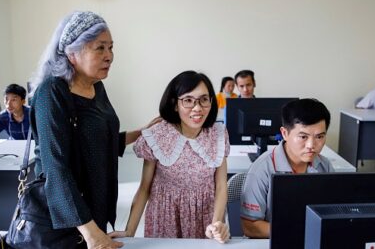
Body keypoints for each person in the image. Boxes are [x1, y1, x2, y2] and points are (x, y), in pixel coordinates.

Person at [28, 11, 152, 248]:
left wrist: (142, 132)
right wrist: (92, 234)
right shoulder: (52, 92)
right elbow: (56, 168)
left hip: (93, 214)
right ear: (72, 53)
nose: (109, 56)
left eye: (111, 48)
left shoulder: (97, 89)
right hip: (63, 222)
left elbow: (96, 141)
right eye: (100, 48)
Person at [109, 71, 230, 243]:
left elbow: (221, 187)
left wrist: (216, 224)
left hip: (205, 214)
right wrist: (129, 231)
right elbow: (144, 188)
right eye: (188, 100)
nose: (197, 108)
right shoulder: (159, 135)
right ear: (175, 104)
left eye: (204, 99)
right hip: (165, 217)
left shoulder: (217, 134)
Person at [240, 98, 334, 238]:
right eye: (303, 137)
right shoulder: (262, 169)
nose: (311, 145)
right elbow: (250, 226)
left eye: (319, 137)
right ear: (284, 133)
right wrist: (298, 232)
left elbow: (333, 213)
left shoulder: (324, 165)